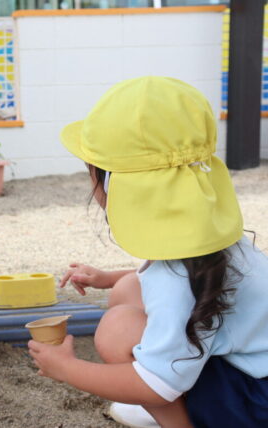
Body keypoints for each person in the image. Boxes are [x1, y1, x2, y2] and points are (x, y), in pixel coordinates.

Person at [28, 76, 268, 428]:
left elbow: (157, 384)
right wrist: (110, 278)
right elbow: (182, 285)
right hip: (255, 371)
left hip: (252, 404)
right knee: (128, 289)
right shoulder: (210, 245)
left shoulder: (176, 277)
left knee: (116, 329)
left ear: (113, 185)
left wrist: (67, 369)